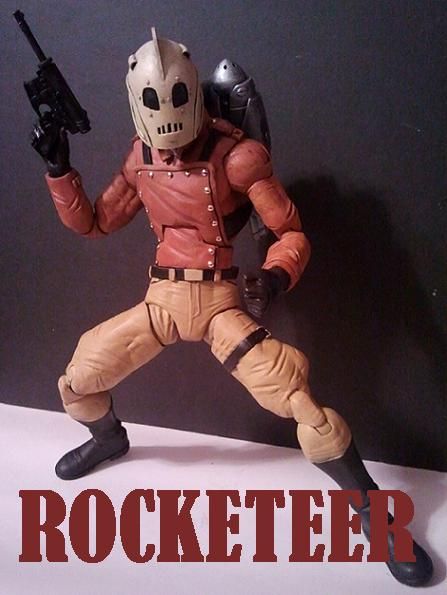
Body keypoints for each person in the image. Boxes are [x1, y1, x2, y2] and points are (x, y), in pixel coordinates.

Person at [31, 30, 432, 586]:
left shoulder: (236, 158)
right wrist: (59, 172)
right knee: (77, 379)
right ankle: (108, 438)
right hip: (162, 302)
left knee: (301, 403)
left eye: (176, 99)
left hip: (221, 305)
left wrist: (275, 275)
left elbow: (290, 232)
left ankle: (375, 516)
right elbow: (95, 222)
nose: (169, 127)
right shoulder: (139, 160)